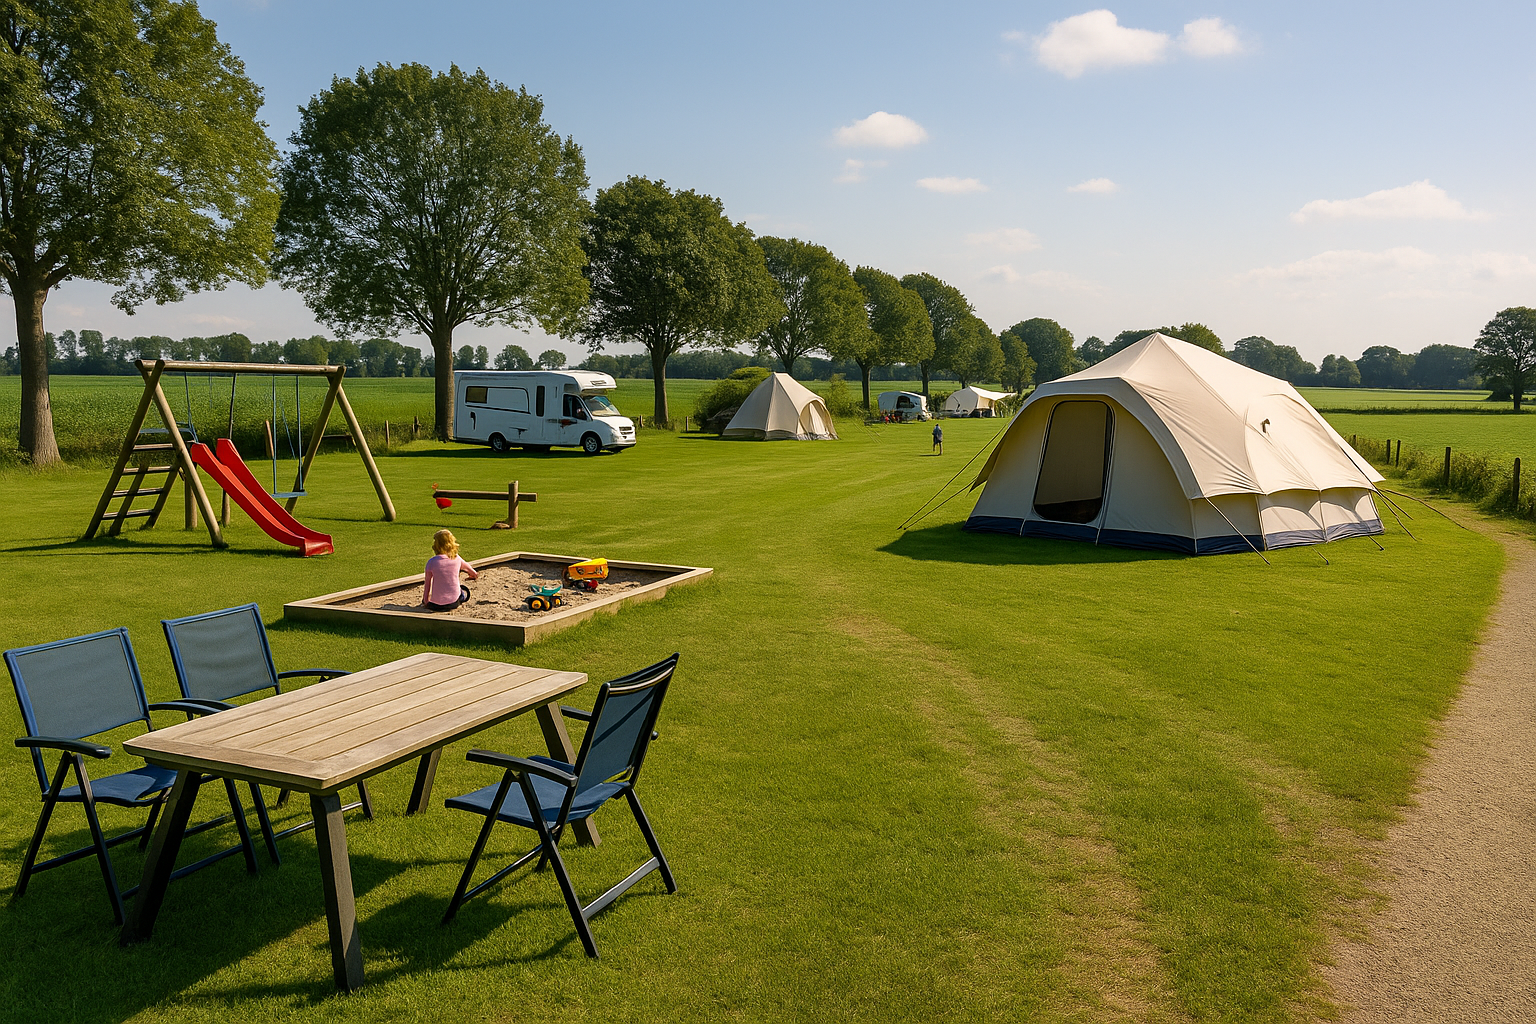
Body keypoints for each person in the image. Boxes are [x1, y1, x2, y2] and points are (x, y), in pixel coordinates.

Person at [422, 528, 479, 611]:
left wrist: (426, 601)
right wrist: (473, 575)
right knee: (461, 590)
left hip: (436, 605)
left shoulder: (431, 562)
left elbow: (427, 585)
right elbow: (473, 573)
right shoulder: (457, 558)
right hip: (454, 602)